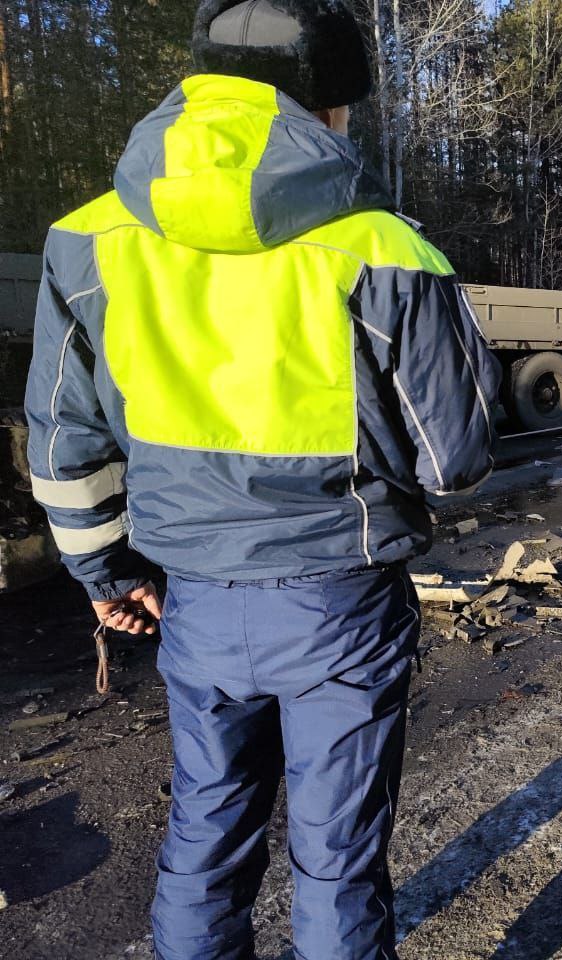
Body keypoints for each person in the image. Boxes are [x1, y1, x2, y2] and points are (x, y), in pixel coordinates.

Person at [23, 2, 500, 957]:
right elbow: (456, 463)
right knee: (335, 866)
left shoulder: (87, 242)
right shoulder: (384, 248)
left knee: (203, 845)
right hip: (340, 607)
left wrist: (106, 577)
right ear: (325, 106)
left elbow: (59, 450)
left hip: (193, 606)